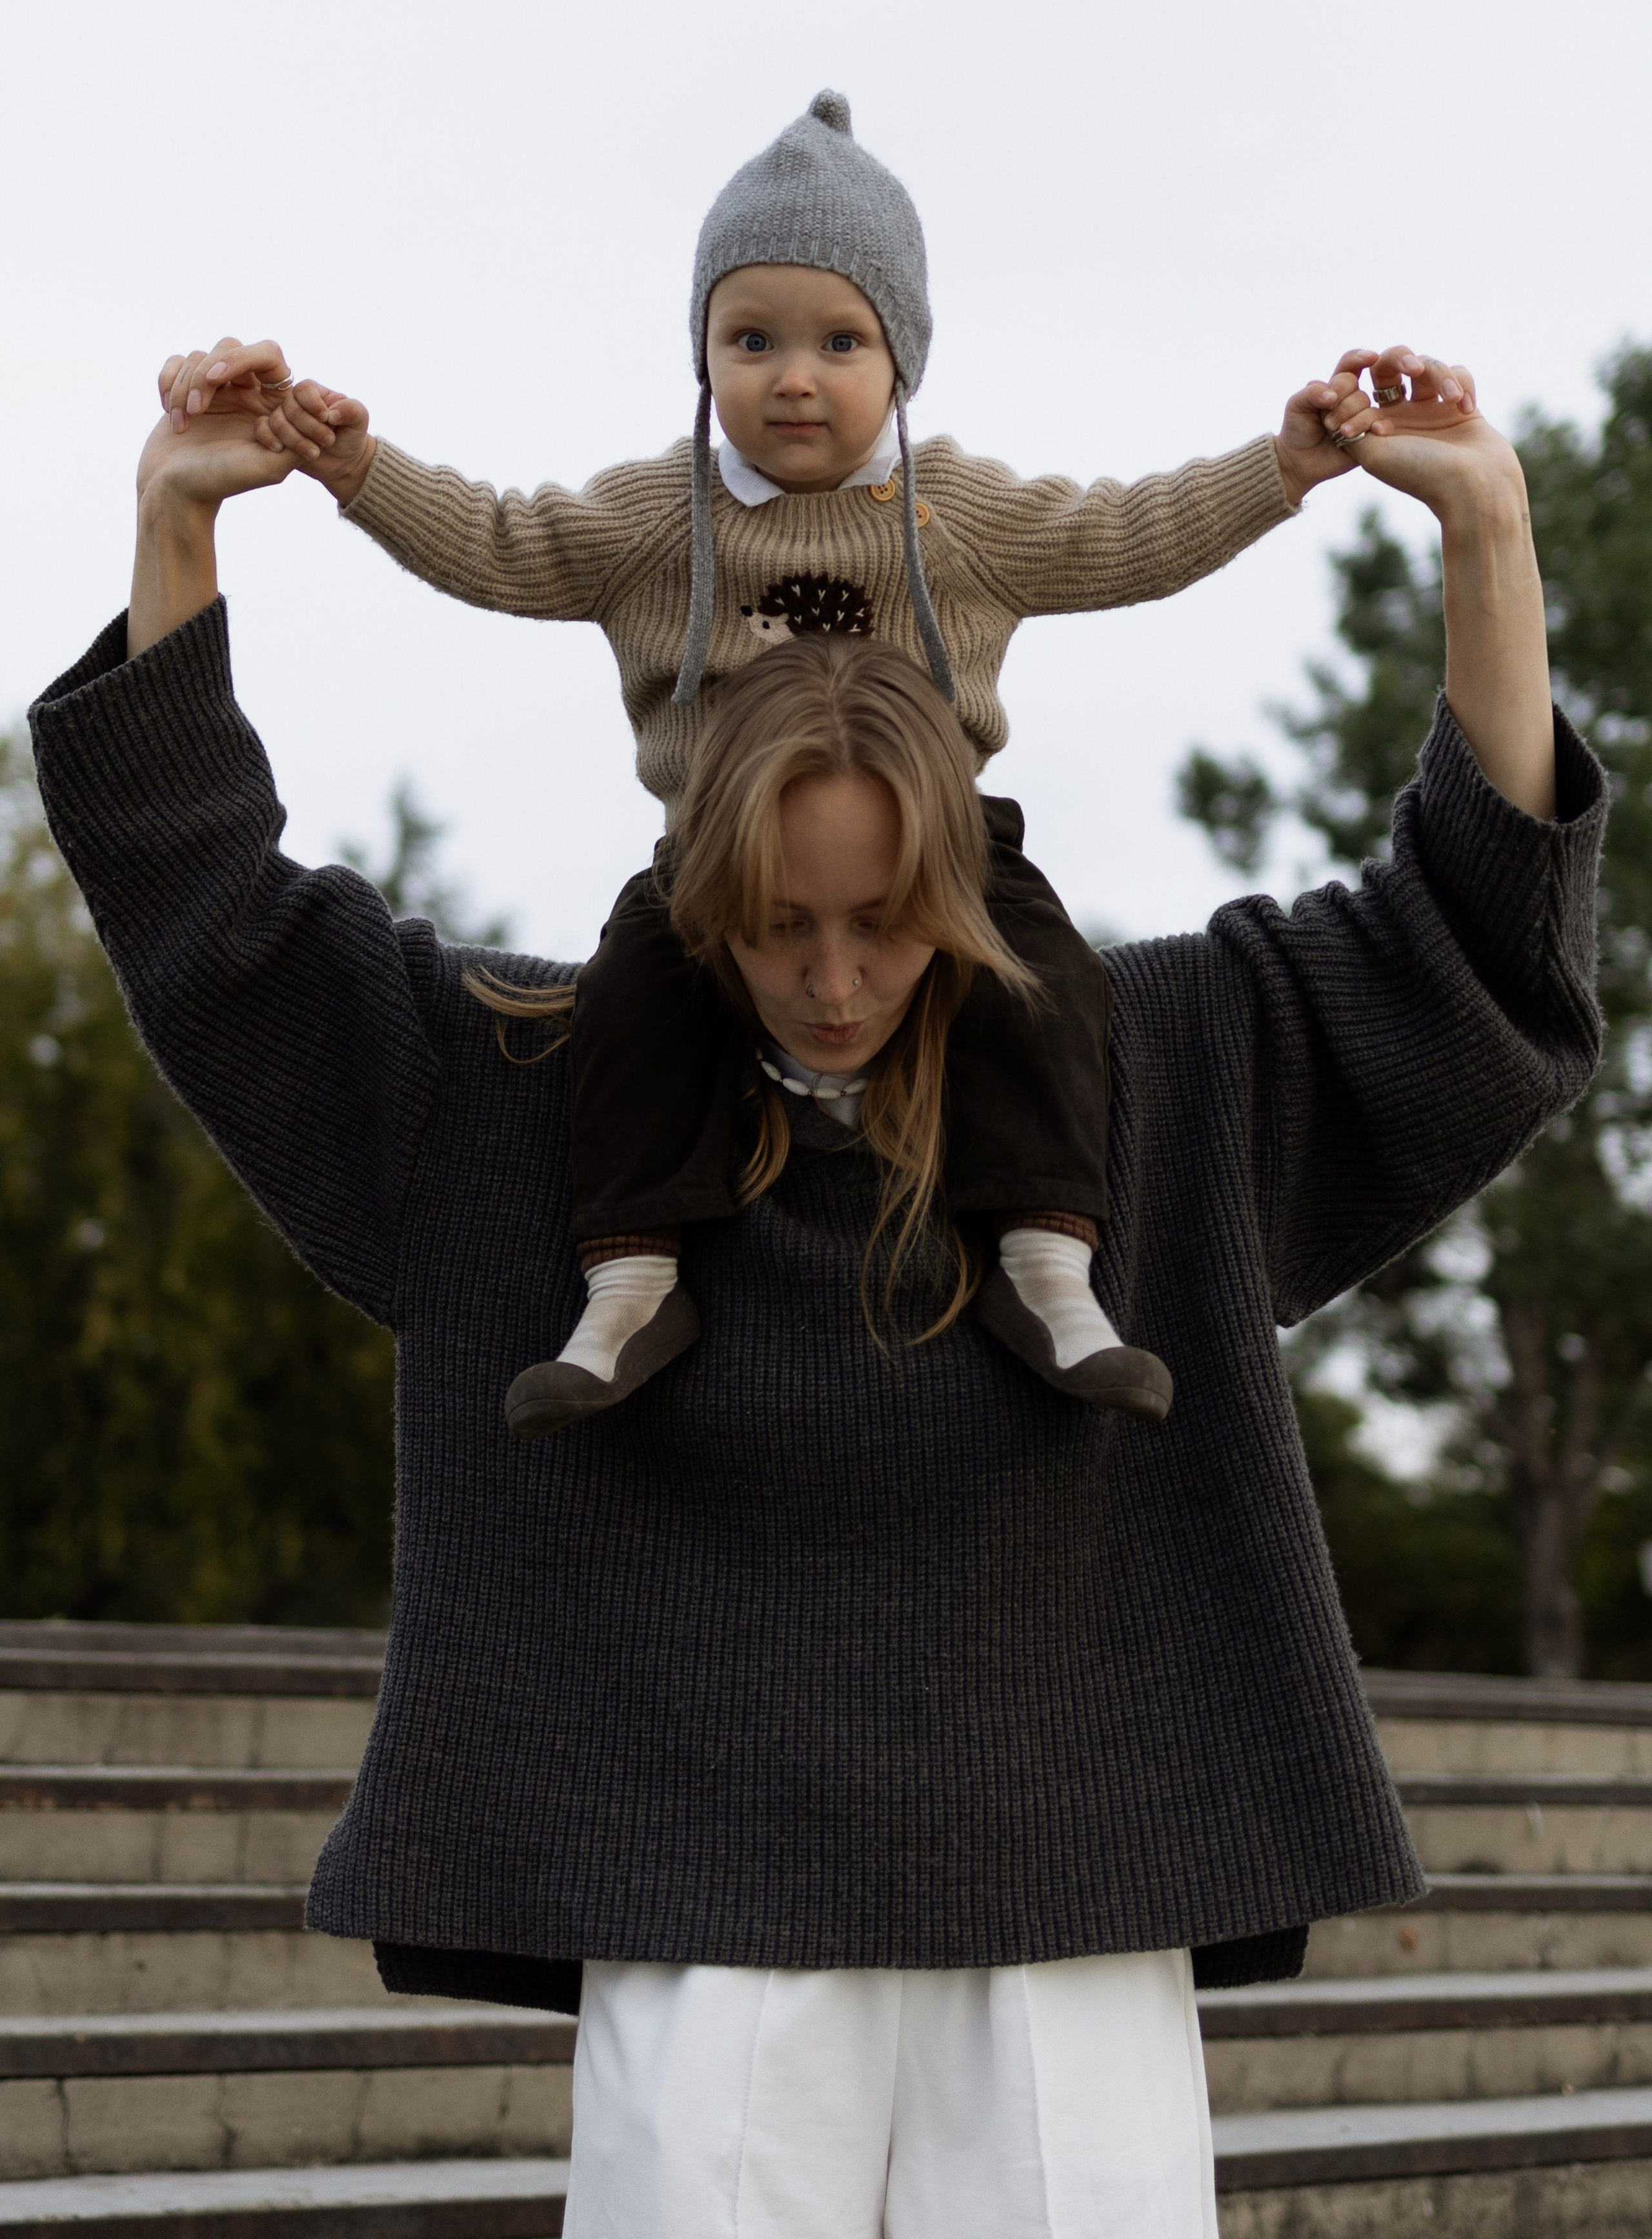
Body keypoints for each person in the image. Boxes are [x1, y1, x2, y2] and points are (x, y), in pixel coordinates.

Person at [32, 344, 1601, 2237]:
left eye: (888, 926)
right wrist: (177, 518)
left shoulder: (1154, 1077)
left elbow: (1463, 949)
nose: (839, 978)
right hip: (698, 1926)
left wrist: (1491, 537)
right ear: (699, 900)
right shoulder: (528, 1093)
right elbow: (220, 917)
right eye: (782, 927)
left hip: (1068, 1911)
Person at [156, 90, 1383, 1436]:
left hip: (935, 852)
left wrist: (1282, 470)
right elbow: (497, 543)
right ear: (701, 357)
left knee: (1045, 984)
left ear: (901, 359)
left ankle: (1046, 1261)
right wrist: (357, 468)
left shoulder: (954, 515)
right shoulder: (652, 521)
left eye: (838, 341)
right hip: (716, 866)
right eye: (750, 339)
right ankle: (628, 1280)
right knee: (628, 1004)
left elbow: (1129, 535)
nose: (792, 375)